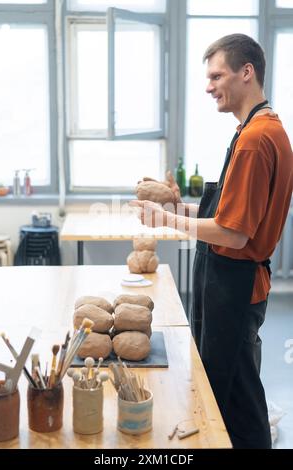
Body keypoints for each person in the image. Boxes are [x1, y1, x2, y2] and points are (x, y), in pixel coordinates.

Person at [130, 34, 293, 449]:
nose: (208, 86)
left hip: (235, 285)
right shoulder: (251, 129)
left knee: (238, 400)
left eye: (216, 75)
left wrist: (166, 219)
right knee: (227, 389)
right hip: (228, 280)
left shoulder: (256, 141)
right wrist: (179, 206)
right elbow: (227, 216)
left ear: (246, 72)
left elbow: (235, 234)